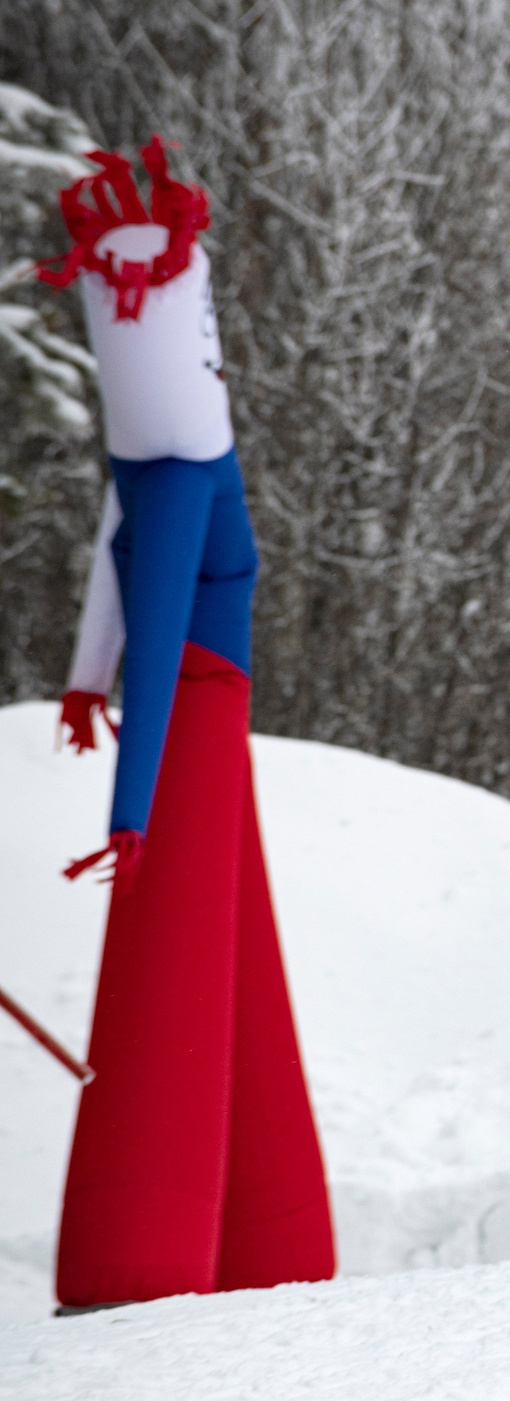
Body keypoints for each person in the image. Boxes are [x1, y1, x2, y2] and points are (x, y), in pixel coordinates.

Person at [42, 138, 335, 1311]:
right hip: (207, 719)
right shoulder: (166, 467)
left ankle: (158, 1244)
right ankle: (259, 1235)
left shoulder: (173, 475)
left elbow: (152, 637)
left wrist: (129, 808)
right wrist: (86, 687)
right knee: (217, 960)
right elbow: (123, 590)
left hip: (200, 722)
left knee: (187, 962)